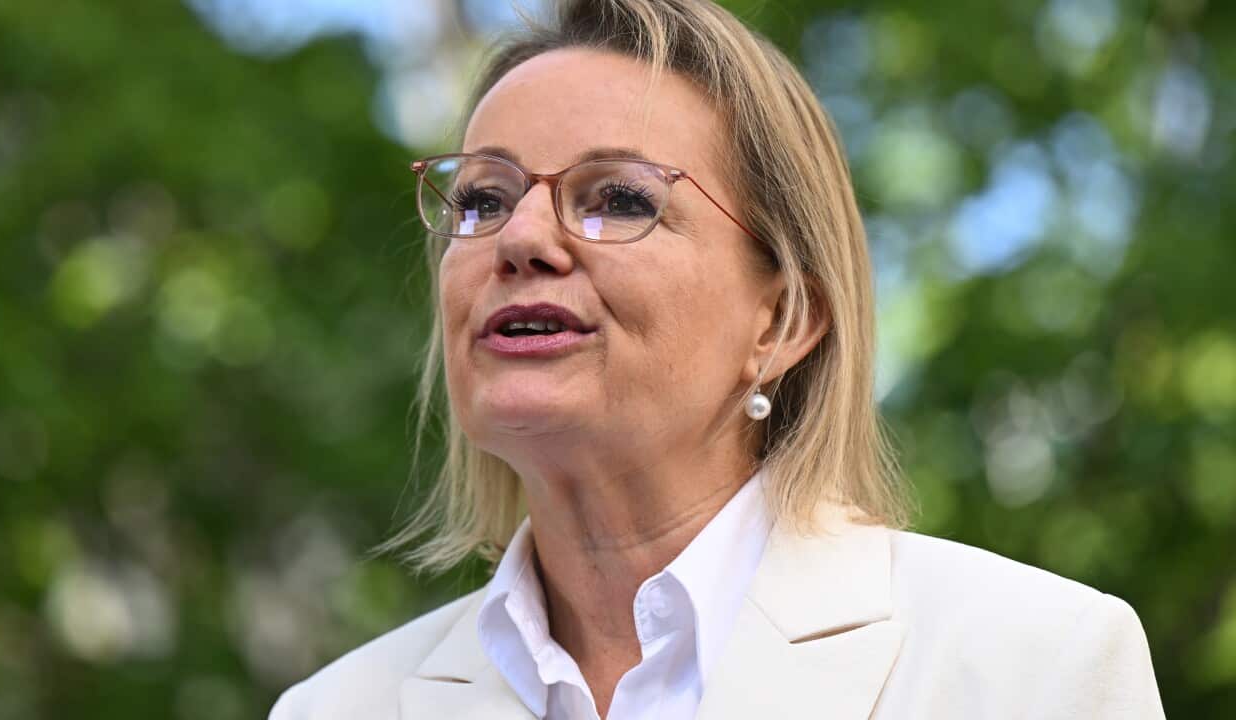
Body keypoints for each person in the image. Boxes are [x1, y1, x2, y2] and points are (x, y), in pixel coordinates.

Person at [269, 1, 1165, 718]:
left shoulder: (1035, 667)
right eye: (482, 198)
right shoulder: (336, 707)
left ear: (781, 322)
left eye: (618, 197)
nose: (522, 238)